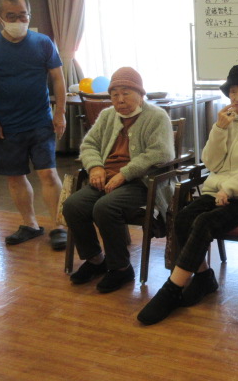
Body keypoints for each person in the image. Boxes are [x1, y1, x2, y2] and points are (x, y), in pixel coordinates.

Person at [137, 63, 238, 325]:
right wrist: (219, 129)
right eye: (233, 91)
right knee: (184, 217)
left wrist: (231, 187)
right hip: (217, 190)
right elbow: (211, 162)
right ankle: (204, 277)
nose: (237, 98)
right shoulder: (227, 119)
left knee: (204, 222)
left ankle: (172, 289)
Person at [62, 67, 174, 293]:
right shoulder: (107, 116)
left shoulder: (156, 116)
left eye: (126, 93)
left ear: (140, 94)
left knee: (105, 207)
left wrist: (125, 173)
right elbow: (89, 144)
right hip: (106, 179)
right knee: (73, 205)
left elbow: (161, 153)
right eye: (115, 94)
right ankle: (96, 260)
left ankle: (121, 268)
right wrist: (95, 166)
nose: (120, 100)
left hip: (141, 182)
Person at [0, 0, 68, 250]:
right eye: (11, 16)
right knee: (14, 177)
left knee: (48, 173)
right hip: (6, 125)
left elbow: (58, 78)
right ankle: (30, 224)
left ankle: (59, 227)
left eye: (23, 15)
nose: (18, 20)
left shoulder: (43, 43)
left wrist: (60, 113)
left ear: (29, 14)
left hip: (40, 122)